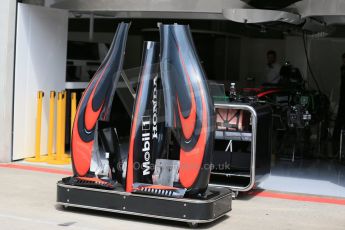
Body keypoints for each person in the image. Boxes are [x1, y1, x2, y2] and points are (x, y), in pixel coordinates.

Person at [333, 53, 345, 147]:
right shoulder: (343, 68)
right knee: (340, 117)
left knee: (340, 117)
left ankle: (337, 137)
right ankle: (336, 137)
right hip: (343, 96)